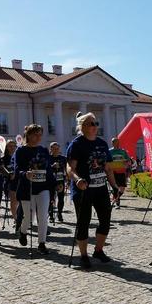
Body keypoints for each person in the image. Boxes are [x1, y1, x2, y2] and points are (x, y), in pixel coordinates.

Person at [66, 112, 118, 269]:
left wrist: (114, 186)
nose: (95, 126)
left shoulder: (102, 144)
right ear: (83, 127)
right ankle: (83, 255)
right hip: (83, 190)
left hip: (101, 189)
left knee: (105, 221)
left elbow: (108, 168)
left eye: (96, 123)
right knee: (83, 223)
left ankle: (98, 250)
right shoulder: (77, 144)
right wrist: (77, 180)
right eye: (92, 124)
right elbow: (69, 168)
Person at [13, 124, 54, 254]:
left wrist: (55, 184)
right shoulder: (21, 151)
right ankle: (23, 231)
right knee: (29, 216)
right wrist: (25, 173)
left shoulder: (43, 150)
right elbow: (17, 169)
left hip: (43, 187)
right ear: (28, 135)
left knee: (42, 216)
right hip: (27, 187)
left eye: (40, 134)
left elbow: (48, 170)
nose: (38, 137)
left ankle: (42, 243)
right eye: (36, 134)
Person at [108, 137, 132, 209]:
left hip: (121, 171)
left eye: (118, 142)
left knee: (122, 189)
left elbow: (128, 161)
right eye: (115, 142)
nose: (117, 144)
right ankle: (117, 203)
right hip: (113, 172)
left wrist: (127, 163)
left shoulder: (123, 151)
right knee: (115, 188)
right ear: (112, 143)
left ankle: (114, 198)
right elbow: (106, 162)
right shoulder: (109, 151)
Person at [48, 142, 67, 222]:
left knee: (61, 198)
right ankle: (51, 215)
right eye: (54, 148)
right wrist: (52, 166)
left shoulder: (63, 158)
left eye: (57, 148)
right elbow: (45, 168)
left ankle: (59, 213)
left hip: (60, 181)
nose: (56, 150)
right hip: (51, 181)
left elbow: (67, 169)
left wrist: (67, 180)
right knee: (51, 198)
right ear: (51, 149)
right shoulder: (48, 158)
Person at [2, 139, 19, 224]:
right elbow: (1, 170)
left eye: (13, 146)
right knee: (13, 201)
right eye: (10, 146)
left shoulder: (19, 157)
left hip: (19, 181)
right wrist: (8, 174)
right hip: (9, 182)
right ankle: (16, 219)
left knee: (20, 202)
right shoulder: (3, 158)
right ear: (6, 147)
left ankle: (20, 217)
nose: (12, 148)